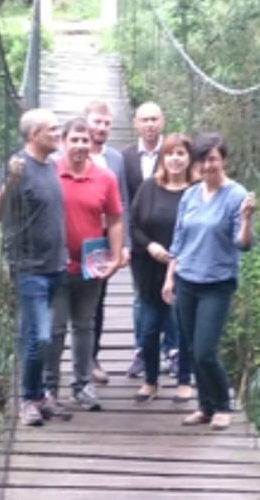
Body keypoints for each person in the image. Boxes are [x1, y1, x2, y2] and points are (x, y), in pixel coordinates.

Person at [161, 132, 256, 431]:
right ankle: (204, 406)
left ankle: (222, 406)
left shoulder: (236, 195)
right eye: (202, 160)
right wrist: (169, 277)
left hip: (217, 282)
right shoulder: (190, 194)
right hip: (186, 279)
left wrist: (246, 219)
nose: (207, 166)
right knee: (191, 348)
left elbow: (243, 245)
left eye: (212, 159)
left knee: (205, 349)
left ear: (223, 160)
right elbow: (178, 239)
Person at [0, 108, 73, 427]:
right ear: (33, 135)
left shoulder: (50, 165)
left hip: (55, 265)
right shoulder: (17, 168)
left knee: (36, 334)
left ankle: (39, 396)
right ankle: (28, 399)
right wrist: (10, 181)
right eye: (52, 129)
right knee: (41, 335)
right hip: (29, 267)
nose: (58, 132)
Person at [44, 117, 123, 412]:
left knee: (84, 326)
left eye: (85, 140)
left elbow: (115, 219)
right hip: (55, 265)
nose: (80, 146)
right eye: (74, 140)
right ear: (62, 142)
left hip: (91, 267)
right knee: (55, 328)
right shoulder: (48, 173)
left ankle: (81, 385)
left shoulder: (105, 178)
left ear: (93, 144)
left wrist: (115, 257)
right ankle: (49, 389)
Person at [129, 132, 194, 403]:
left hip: (186, 269)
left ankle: (183, 381)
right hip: (149, 267)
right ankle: (151, 381)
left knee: (183, 325)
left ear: (189, 158)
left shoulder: (196, 191)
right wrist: (150, 246)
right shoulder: (148, 188)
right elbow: (133, 225)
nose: (175, 159)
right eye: (170, 154)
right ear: (162, 158)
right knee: (150, 327)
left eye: (180, 154)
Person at [119, 102, 176, 379]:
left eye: (154, 119)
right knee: (142, 296)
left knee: (173, 294)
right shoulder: (125, 157)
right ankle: (142, 352)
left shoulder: (175, 153)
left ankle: (173, 351)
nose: (150, 124)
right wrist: (127, 241)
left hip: (172, 239)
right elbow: (122, 201)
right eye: (145, 120)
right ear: (135, 124)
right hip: (140, 240)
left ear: (163, 121)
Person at [82, 100, 130, 385]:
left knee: (98, 301)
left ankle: (91, 358)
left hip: (101, 240)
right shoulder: (68, 153)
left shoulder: (115, 159)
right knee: (64, 301)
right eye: (96, 121)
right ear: (85, 121)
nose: (101, 127)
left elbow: (122, 202)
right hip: (73, 236)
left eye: (106, 123)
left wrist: (122, 245)